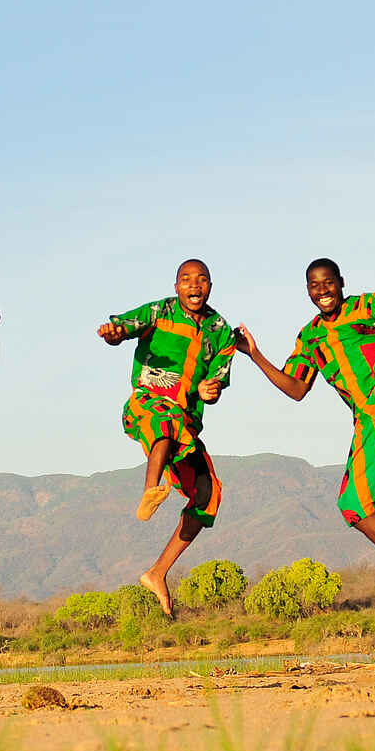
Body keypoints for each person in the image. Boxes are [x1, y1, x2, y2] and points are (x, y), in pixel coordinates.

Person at [235, 258, 375, 622]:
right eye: (314, 286)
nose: (323, 291)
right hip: (373, 423)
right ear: (307, 291)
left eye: (328, 282)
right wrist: (254, 354)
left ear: (341, 282)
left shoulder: (364, 306)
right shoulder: (309, 337)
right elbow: (296, 388)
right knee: (353, 506)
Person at [98, 259, 236, 616]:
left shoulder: (221, 331)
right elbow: (125, 327)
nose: (194, 285)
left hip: (186, 424)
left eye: (201, 279)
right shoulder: (159, 312)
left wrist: (209, 390)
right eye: (186, 280)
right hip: (147, 404)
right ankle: (151, 488)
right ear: (176, 287)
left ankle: (157, 573)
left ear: (210, 286)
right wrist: (114, 334)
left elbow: (217, 379)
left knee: (208, 494)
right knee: (167, 420)